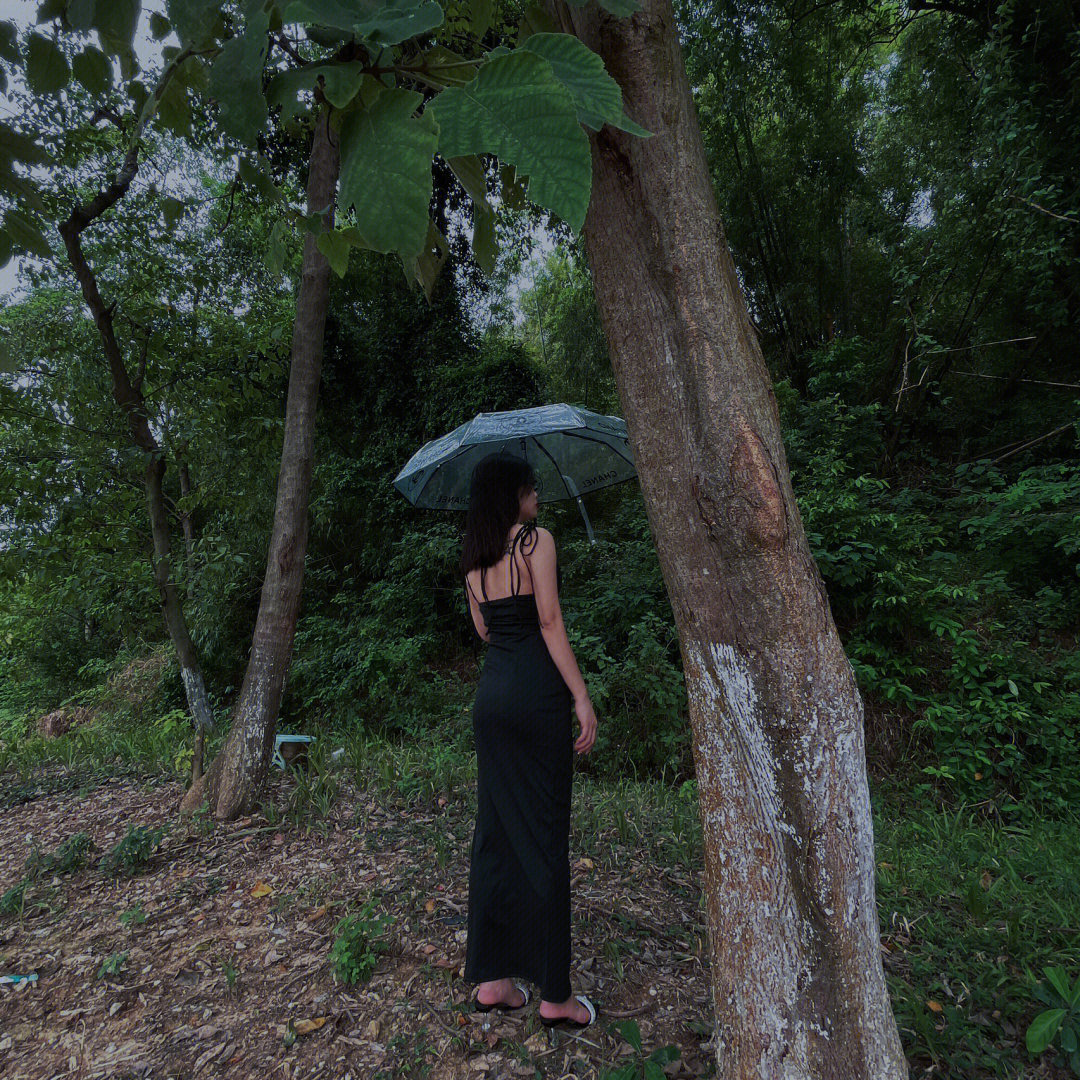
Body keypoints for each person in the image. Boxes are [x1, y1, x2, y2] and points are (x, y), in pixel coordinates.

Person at [460, 452, 599, 1029]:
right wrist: (581, 695)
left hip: (490, 700)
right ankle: (555, 997)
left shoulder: (474, 561)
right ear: (515, 494)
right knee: (545, 836)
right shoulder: (535, 543)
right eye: (531, 488)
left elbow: (485, 630)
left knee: (494, 835)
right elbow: (549, 620)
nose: (537, 497)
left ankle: (493, 982)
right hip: (536, 697)